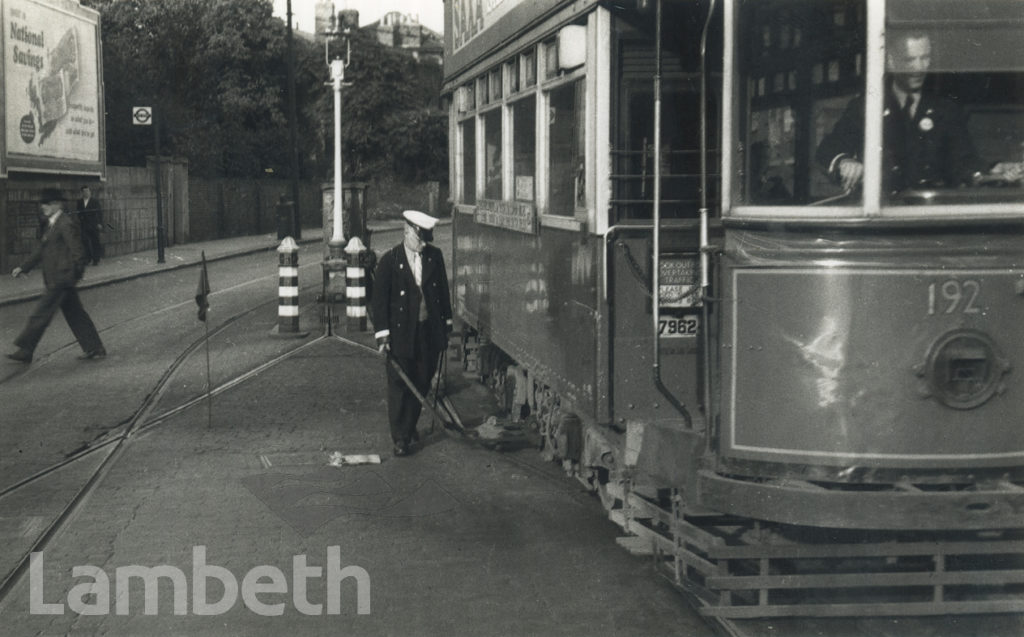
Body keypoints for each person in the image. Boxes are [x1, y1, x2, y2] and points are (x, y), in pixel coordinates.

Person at [816, 31, 1022, 196]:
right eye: (910, 60)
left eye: (925, 58)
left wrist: (996, 170)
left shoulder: (945, 111)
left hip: (928, 217)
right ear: (892, 61)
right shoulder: (867, 107)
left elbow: (963, 162)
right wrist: (844, 162)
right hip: (881, 218)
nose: (919, 68)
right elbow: (828, 149)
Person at [371, 210, 453, 457]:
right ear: (406, 231)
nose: (423, 244)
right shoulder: (389, 261)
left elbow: (443, 294)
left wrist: (446, 327)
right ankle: (400, 438)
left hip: (427, 333)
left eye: (426, 239)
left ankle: (407, 428)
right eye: (419, 239)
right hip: (400, 336)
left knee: (421, 381)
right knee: (399, 385)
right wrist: (383, 338)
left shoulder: (434, 257)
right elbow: (379, 303)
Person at [6, 188, 106, 364]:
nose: (43, 207)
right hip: (61, 278)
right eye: (43, 204)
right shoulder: (52, 223)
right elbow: (41, 250)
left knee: (40, 313)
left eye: (47, 203)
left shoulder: (64, 223)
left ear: (56, 205)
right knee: (76, 314)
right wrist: (23, 267)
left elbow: (77, 249)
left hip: (61, 278)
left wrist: (75, 273)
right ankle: (95, 348)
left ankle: (25, 350)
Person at [76, 185, 104, 266]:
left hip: (94, 224)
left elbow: (99, 213)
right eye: (85, 191)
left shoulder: (95, 201)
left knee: (95, 241)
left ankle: (96, 259)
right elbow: (78, 212)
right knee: (85, 242)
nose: (87, 193)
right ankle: (88, 258)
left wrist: (99, 223)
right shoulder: (80, 202)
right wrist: (80, 219)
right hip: (84, 225)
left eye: (88, 191)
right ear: (82, 193)